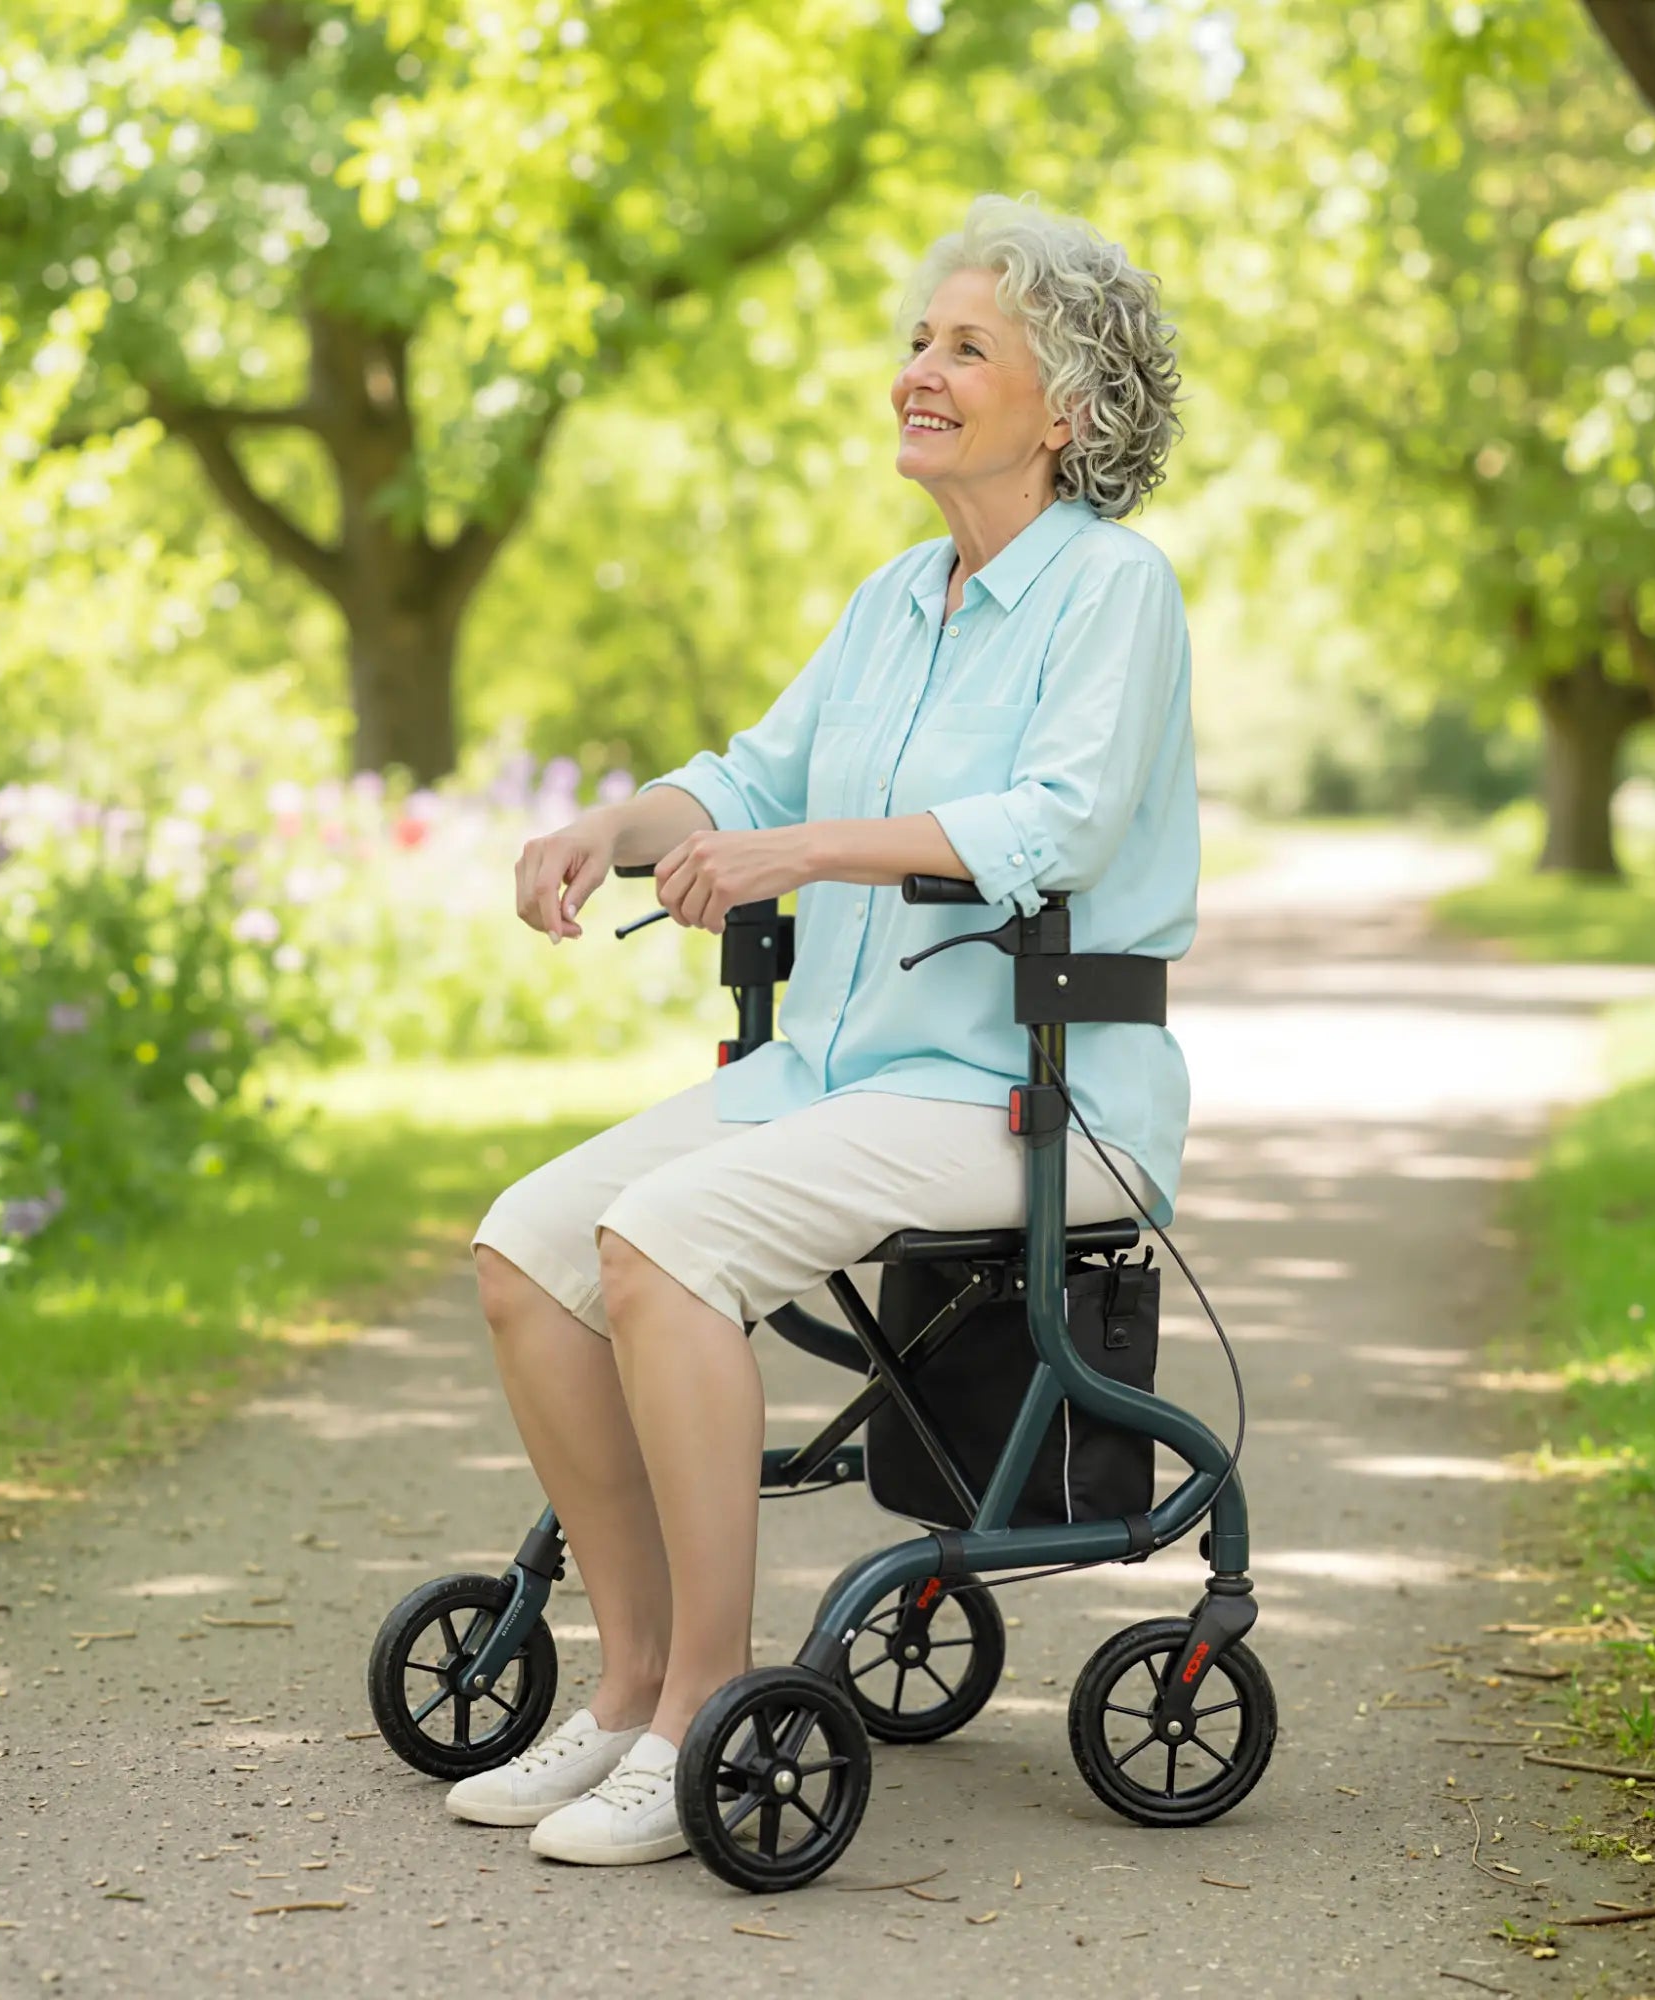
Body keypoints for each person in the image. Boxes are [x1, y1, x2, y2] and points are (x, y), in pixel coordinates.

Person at [452, 192, 1198, 1866]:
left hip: (1037, 1091)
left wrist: (806, 853)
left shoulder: (1116, 593)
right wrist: (611, 827)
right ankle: (631, 1693)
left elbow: (1059, 825)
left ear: (1065, 408)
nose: (916, 373)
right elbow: (747, 774)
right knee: (528, 1250)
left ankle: (712, 1704)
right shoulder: (896, 599)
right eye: (917, 341)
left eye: (964, 347)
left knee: (664, 1242)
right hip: (848, 1073)